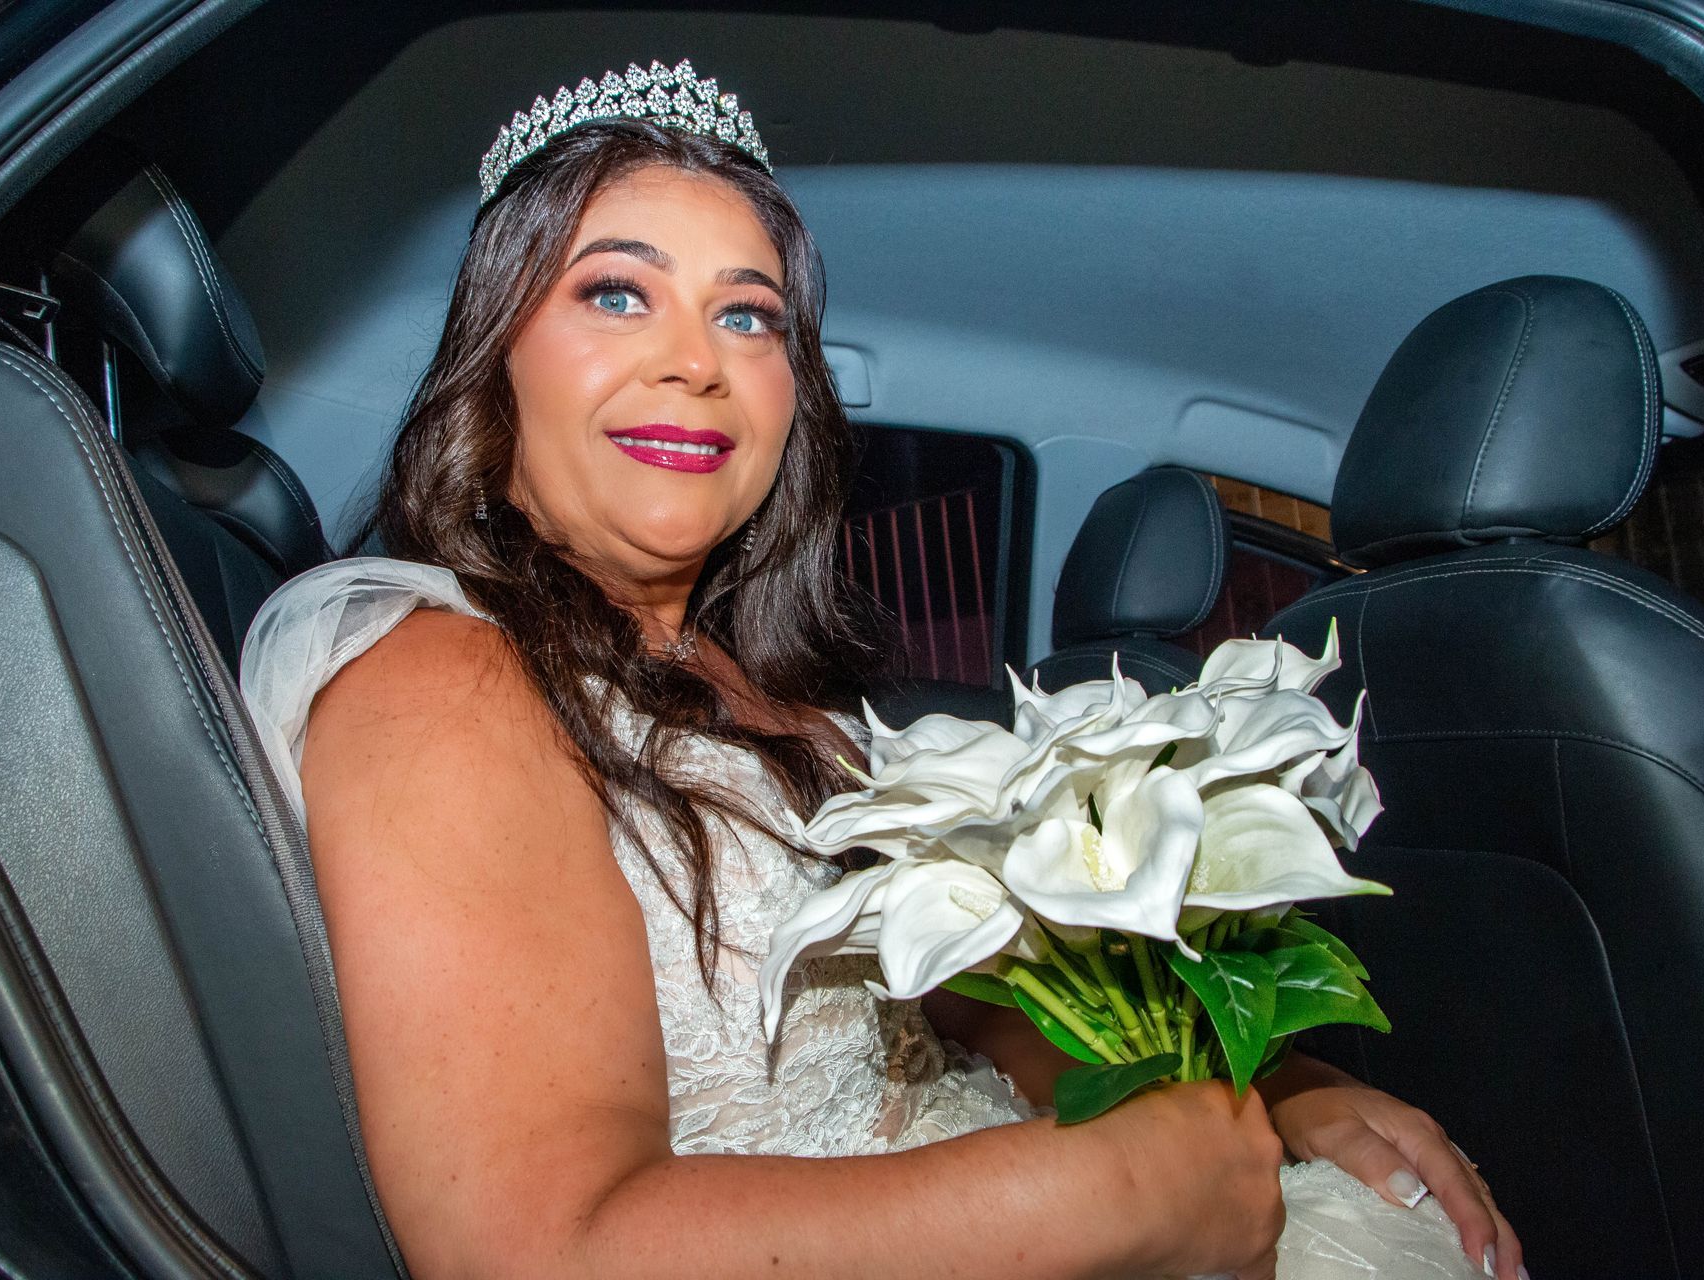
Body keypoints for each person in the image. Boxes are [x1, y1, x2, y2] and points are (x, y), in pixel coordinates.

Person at [240, 60, 1524, 1280]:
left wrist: (1270, 1091)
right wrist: (1119, 1192)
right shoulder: (441, 680)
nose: (698, 359)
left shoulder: (763, 702)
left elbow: (964, 1011)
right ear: (496, 350)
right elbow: (546, 1247)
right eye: (617, 292)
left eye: (748, 314)